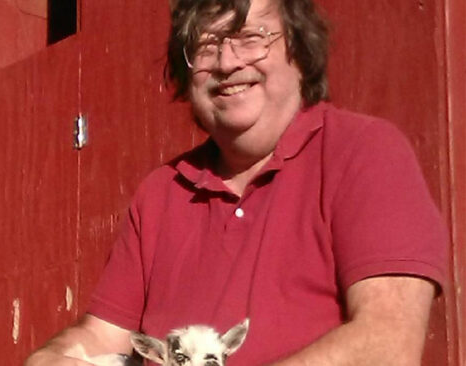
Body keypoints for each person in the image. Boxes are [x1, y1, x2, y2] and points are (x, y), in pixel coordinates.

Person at [26, 0, 448, 364]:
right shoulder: (161, 193)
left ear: (299, 49)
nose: (227, 63)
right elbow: (102, 336)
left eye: (250, 37)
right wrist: (52, 357)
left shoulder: (364, 152)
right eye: (206, 47)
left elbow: (388, 346)